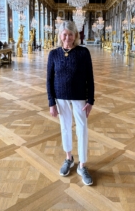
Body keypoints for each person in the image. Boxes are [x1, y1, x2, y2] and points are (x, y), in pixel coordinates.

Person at [47, 20, 94, 186]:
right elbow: (49, 80)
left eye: (70, 34)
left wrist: (91, 101)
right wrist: (51, 102)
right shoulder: (53, 54)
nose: (67, 37)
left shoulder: (83, 53)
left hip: (80, 97)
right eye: (64, 34)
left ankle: (82, 165)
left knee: (82, 129)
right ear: (60, 35)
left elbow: (90, 77)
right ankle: (69, 158)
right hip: (60, 98)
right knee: (65, 127)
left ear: (75, 36)